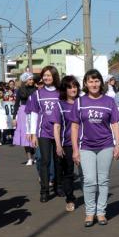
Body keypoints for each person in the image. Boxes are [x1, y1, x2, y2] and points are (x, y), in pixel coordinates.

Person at [70, 69, 119, 227]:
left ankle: (101, 212)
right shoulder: (79, 102)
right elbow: (74, 127)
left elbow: (115, 124)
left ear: (102, 82)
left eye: (97, 80)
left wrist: (118, 144)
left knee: (103, 180)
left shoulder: (109, 101)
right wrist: (75, 150)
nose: (94, 84)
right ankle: (90, 212)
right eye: (90, 81)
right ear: (85, 83)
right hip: (86, 146)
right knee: (90, 180)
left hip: (106, 145)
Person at [27, 65, 61, 202]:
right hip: (43, 132)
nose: (46, 78)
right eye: (44, 75)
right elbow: (34, 113)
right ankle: (44, 190)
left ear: (54, 76)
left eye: (49, 75)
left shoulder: (61, 92)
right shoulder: (37, 94)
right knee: (45, 160)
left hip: (59, 132)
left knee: (58, 160)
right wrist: (33, 133)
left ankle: (59, 186)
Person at [52, 75, 80, 212]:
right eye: (70, 87)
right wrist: (58, 145)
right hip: (67, 144)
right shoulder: (59, 105)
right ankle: (70, 198)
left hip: (85, 143)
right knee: (68, 173)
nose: (73, 89)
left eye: (75, 86)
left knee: (87, 173)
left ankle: (92, 198)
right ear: (65, 89)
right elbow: (56, 126)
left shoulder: (83, 102)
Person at [13, 72, 36, 165]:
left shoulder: (36, 89)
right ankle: (29, 158)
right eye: (30, 79)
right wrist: (14, 117)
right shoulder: (20, 90)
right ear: (25, 80)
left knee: (34, 134)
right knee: (25, 136)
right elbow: (16, 104)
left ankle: (35, 156)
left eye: (32, 79)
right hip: (23, 112)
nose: (32, 81)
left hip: (34, 111)